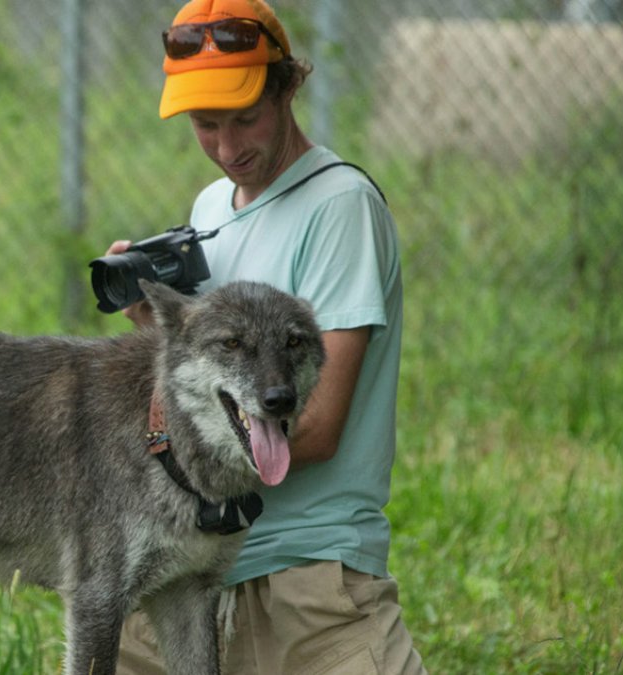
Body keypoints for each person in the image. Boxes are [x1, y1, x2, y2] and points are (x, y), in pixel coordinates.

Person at [108, 0, 426, 673]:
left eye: (246, 118)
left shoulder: (339, 208)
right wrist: (161, 337)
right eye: (206, 125)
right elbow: (205, 394)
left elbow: (314, 426)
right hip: (181, 568)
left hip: (303, 577)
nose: (228, 148)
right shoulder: (211, 207)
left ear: (287, 86)